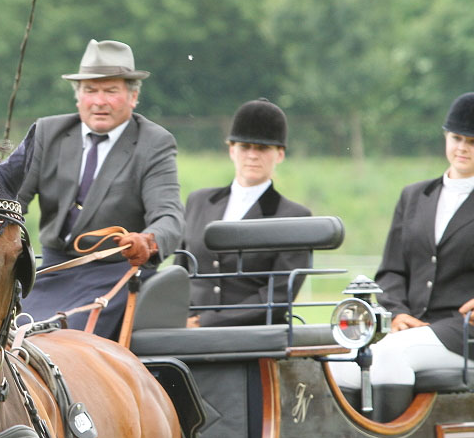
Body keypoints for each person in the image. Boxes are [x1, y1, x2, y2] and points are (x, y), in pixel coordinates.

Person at [330, 89, 474, 420]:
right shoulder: (413, 197)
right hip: (411, 328)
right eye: (456, 138)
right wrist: (397, 312)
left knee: (390, 354)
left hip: (467, 335)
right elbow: (391, 271)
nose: (462, 147)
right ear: (446, 137)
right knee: (338, 367)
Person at [16, 39, 184, 339]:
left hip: (116, 274)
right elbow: (12, 199)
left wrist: (147, 241)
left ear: (133, 97)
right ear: (78, 97)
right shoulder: (46, 132)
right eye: (90, 90)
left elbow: (170, 217)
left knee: (64, 340)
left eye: (111, 91)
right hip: (51, 272)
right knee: (5, 334)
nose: (99, 101)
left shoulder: (153, 143)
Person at [183, 99, 312, 327]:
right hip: (186, 329)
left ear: (279, 154)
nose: (252, 155)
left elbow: (280, 294)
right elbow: (180, 272)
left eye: (262, 148)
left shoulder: (294, 217)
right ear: (232, 150)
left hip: (251, 334)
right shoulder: (198, 201)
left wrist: (208, 322)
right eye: (245, 147)